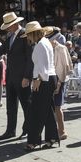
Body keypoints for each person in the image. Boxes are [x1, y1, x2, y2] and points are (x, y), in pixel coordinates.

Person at [0, 12, 34, 140]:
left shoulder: (25, 35)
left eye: (9, 25)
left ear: (16, 24)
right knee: (11, 106)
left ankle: (28, 130)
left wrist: (27, 77)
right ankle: (10, 130)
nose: (8, 28)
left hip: (22, 77)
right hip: (10, 76)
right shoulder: (10, 37)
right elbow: (1, 51)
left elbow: (30, 58)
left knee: (26, 105)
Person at [23, 22, 58, 151]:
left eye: (28, 35)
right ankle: (52, 138)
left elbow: (42, 66)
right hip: (48, 78)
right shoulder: (45, 42)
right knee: (47, 110)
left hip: (43, 79)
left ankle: (33, 141)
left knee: (36, 111)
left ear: (32, 33)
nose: (28, 38)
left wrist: (37, 79)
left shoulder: (40, 45)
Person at [48, 27, 73, 140]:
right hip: (51, 79)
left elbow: (64, 68)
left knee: (57, 106)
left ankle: (62, 131)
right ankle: (55, 130)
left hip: (59, 80)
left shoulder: (60, 48)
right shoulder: (49, 47)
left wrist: (58, 84)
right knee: (53, 107)